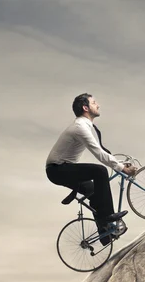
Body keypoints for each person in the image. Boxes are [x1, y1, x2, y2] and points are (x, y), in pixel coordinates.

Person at [46, 93, 137, 245]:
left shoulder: (86, 126)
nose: (98, 105)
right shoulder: (79, 127)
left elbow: (101, 149)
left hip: (63, 168)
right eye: (94, 103)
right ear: (85, 107)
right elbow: (98, 153)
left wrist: (119, 163)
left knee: (95, 192)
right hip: (57, 169)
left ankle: (105, 235)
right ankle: (108, 216)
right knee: (99, 171)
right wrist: (122, 168)